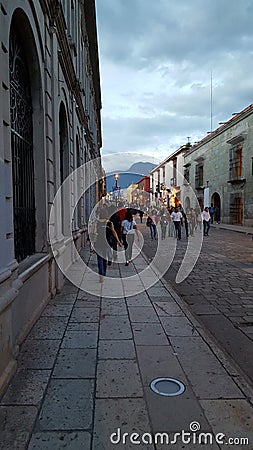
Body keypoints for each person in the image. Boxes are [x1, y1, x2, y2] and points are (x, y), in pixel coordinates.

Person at [94, 206, 122, 283]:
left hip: (98, 242)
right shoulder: (109, 223)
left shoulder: (97, 222)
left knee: (99, 258)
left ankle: (101, 275)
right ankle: (104, 272)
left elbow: (94, 233)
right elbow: (114, 232)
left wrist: (92, 244)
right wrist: (118, 241)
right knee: (105, 257)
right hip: (107, 242)